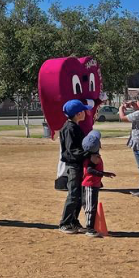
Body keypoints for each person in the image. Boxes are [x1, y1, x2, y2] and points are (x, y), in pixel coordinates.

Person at [57, 100, 90, 233]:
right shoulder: (69, 128)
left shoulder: (74, 126)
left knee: (80, 196)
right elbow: (72, 150)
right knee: (73, 194)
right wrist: (88, 153)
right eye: (83, 111)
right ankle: (64, 223)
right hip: (73, 165)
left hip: (79, 164)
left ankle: (73, 221)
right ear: (77, 114)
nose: (85, 112)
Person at [80, 129, 115, 237]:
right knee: (91, 206)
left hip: (93, 184)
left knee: (90, 205)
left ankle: (90, 226)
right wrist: (103, 174)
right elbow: (89, 170)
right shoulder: (92, 157)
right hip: (90, 184)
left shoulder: (92, 155)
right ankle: (90, 228)